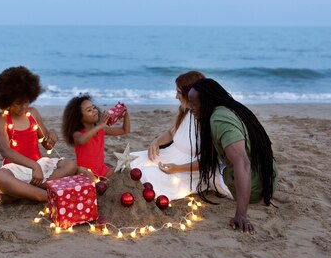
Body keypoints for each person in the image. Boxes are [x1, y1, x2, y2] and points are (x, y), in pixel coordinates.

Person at [189, 78, 278, 234]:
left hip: (256, 188)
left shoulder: (219, 119)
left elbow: (242, 162)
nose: (190, 108)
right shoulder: (229, 108)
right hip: (268, 177)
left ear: (207, 102)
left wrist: (241, 215)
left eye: (194, 103)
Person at [0, 66, 85, 204]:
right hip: (16, 168)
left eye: (26, 102)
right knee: (0, 176)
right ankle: (47, 195)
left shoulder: (32, 113)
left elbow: (46, 144)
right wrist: (34, 166)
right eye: (18, 103)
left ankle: (19, 194)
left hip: (40, 165)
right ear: (6, 100)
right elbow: (6, 151)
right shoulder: (1, 119)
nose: (23, 107)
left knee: (70, 165)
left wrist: (51, 136)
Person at [130, 71, 232, 200]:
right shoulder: (186, 110)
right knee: (131, 160)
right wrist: (156, 142)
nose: (176, 96)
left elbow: (208, 162)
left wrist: (176, 169)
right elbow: (171, 133)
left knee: (147, 175)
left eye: (179, 92)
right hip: (171, 154)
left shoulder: (209, 120)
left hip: (188, 167)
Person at [62, 94, 131, 178]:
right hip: (86, 174)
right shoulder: (77, 133)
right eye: (89, 110)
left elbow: (125, 130)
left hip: (103, 171)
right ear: (79, 117)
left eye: (94, 107)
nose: (94, 111)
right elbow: (81, 141)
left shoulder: (101, 129)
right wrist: (100, 125)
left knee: (124, 168)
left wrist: (125, 114)